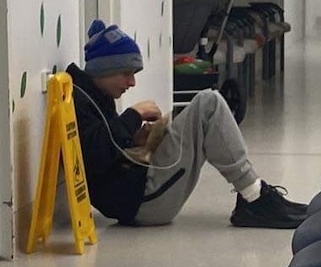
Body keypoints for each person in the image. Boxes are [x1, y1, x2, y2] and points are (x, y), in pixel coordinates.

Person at [66, 20, 308, 228]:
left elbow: (106, 145)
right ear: (103, 70)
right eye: (126, 74)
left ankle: (254, 193)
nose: (131, 83)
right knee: (208, 103)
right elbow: (94, 155)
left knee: (201, 108)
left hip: (139, 187)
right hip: (142, 201)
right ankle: (254, 197)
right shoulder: (81, 100)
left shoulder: (94, 95)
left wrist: (137, 139)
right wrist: (133, 114)